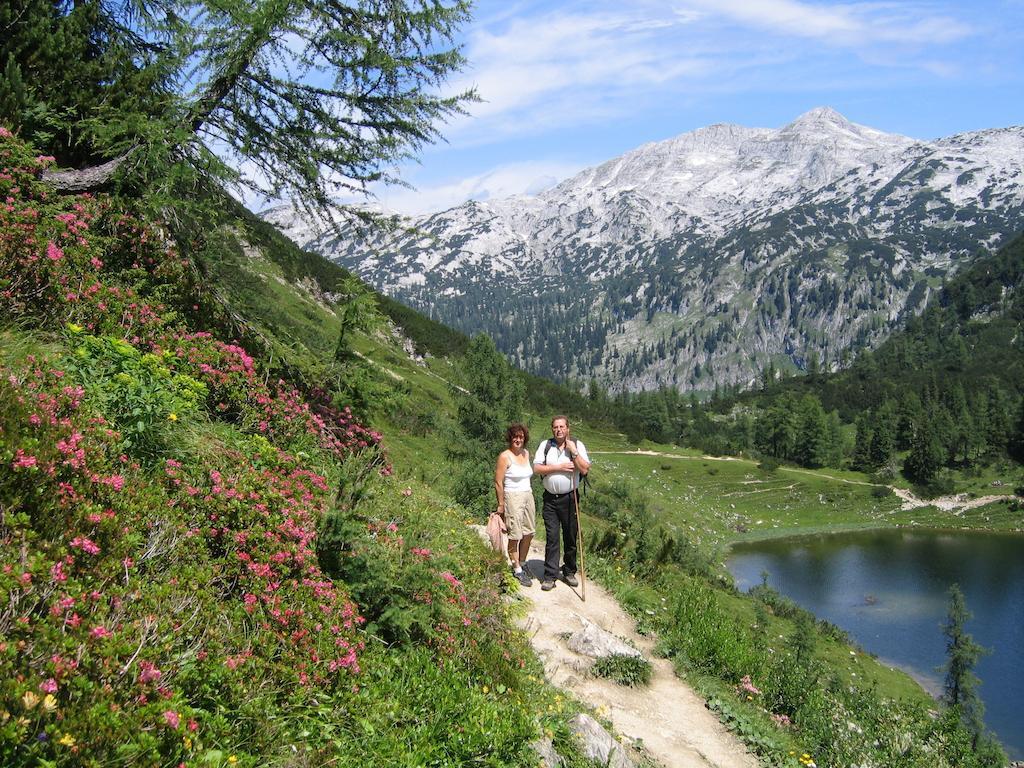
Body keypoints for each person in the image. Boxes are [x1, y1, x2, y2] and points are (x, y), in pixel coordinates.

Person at [533, 415, 591, 591]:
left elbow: (585, 469)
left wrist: (573, 452)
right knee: (552, 537)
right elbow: (537, 468)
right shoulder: (545, 445)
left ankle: (569, 571)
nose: (558, 430)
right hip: (550, 498)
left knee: (570, 535)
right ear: (553, 429)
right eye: (555, 427)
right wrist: (558, 468)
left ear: (568, 428)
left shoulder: (576, 444)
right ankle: (550, 576)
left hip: (570, 498)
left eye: (562, 427)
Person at [494, 423, 536, 587]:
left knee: (529, 532)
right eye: (515, 436)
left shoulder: (526, 453)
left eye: (521, 437)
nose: (518, 439)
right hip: (513, 496)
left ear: (524, 438)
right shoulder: (505, 456)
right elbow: (498, 482)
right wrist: (501, 504)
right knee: (515, 534)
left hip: (528, 495)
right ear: (510, 438)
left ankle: (523, 562)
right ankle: (517, 568)